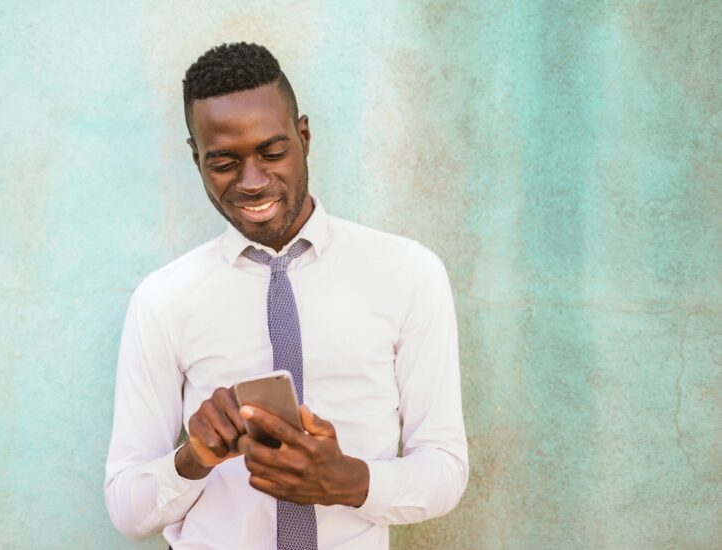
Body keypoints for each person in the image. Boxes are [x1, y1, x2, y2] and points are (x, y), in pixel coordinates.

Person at [104, 42, 468, 550]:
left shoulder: (408, 274)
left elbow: (445, 468)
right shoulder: (164, 299)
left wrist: (349, 481)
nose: (253, 182)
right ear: (196, 158)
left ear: (304, 137)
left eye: (272, 153)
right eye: (224, 162)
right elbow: (127, 508)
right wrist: (194, 458)